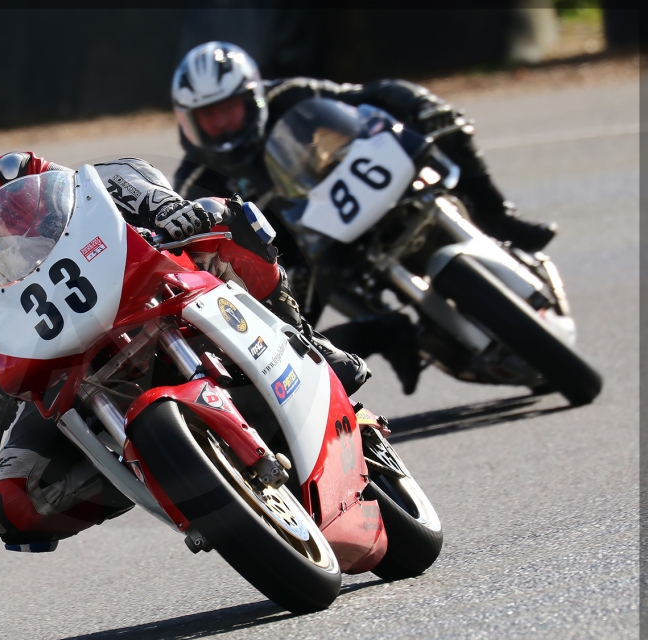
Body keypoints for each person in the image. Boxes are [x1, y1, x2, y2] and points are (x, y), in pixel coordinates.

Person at [0, 123, 370, 552]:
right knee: (11, 507)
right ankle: (182, 485)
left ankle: (305, 340)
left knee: (224, 223)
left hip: (132, 298)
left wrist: (163, 212)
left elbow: (93, 196)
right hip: (50, 377)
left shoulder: (11, 175)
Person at [170, 42, 558, 394]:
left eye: (227, 108)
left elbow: (367, 97)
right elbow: (210, 253)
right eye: (209, 115)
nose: (220, 122)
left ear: (251, 98)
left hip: (356, 190)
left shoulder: (287, 96)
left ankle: (498, 216)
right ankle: (383, 333)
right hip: (302, 253)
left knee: (444, 128)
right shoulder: (195, 179)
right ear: (190, 120)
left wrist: (420, 107)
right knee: (289, 337)